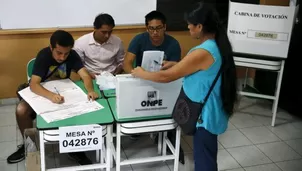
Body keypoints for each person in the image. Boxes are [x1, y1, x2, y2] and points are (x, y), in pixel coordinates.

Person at [131, 2, 237, 171]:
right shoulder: (216, 44)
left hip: (204, 114)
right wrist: (176, 64)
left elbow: (165, 77)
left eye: (190, 23)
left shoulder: (203, 51)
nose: (188, 27)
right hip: (212, 107)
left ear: (200, 26)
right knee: (208, 153)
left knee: (204, 159)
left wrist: (141, 73)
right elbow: (201, 69)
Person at [7, 30, 99, 165]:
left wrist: (90, 90)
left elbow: (85, 75)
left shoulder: (72, 55)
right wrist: (50, 96)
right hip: (43, 91)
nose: (62, 57)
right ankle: (30, 145)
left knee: (79, 108)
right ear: (51, 48)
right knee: (21, 110)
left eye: (66, 53)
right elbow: (33, 84)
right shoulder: (44, 56)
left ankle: (75, 149)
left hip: (63, 90)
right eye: (59, 53)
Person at [74, 13, 125, 78]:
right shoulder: (81, 43)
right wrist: (89, 75)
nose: (107, 35)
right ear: (95, 28)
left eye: (110, 32)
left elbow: (122, 62)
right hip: (90, 77)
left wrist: (116, 74)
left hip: (112, 77)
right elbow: (78, 66)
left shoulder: (117, 42)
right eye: (103, 32)